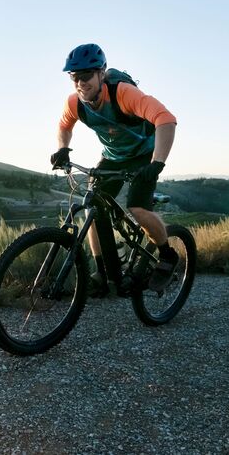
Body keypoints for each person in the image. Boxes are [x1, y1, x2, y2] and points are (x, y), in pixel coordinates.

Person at [50, 43, 178, 296]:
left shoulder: (124, 94)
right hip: (113, 157)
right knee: (93, 208)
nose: (80, 83)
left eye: (86, 76)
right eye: (74, 77)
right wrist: (63, 148)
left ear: (101, 73)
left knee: (138, 208)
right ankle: (104, 272)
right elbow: (64, 126)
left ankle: (167, 255)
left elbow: (166, 119)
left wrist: (157, 164)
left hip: (144, 155)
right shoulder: (75, 103)